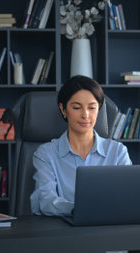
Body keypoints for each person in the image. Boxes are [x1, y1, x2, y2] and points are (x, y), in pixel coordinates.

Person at [30, 75, 132, 216]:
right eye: (77, 107)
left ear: (99, 109)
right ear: (63, 109)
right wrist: (77, 210)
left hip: (109, 229)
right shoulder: (46, 154)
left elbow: (129, 197)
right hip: (64, 231)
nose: (85, 115)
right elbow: (44, 200)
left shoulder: (118, 151)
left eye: (92, 107)